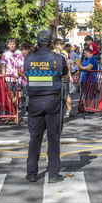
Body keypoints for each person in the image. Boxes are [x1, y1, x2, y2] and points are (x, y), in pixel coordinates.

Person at [24, 30, 68, 184]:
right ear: (51, 43)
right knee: (53, 138)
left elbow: (27, 73)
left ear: (37, 41)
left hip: (35, 102)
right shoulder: (58, 58)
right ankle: (54, 175)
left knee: (35, 138)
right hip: (53, 101)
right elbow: (64, 74)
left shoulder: (28, 58)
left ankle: (31, 173)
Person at [0, 38, 23, 105]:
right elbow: (3, 65)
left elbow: (21, 65)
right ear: (7, 45)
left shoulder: (19, 53)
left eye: (13, 44)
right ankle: (13, 110)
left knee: (18, 95)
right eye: (10, 44)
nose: (12, 46)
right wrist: (3, 76)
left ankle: (14, 108)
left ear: (16, 45)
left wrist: (17, 74)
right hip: (8, 77)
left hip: (17, 77)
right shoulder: (5, 54)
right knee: (10, 94)